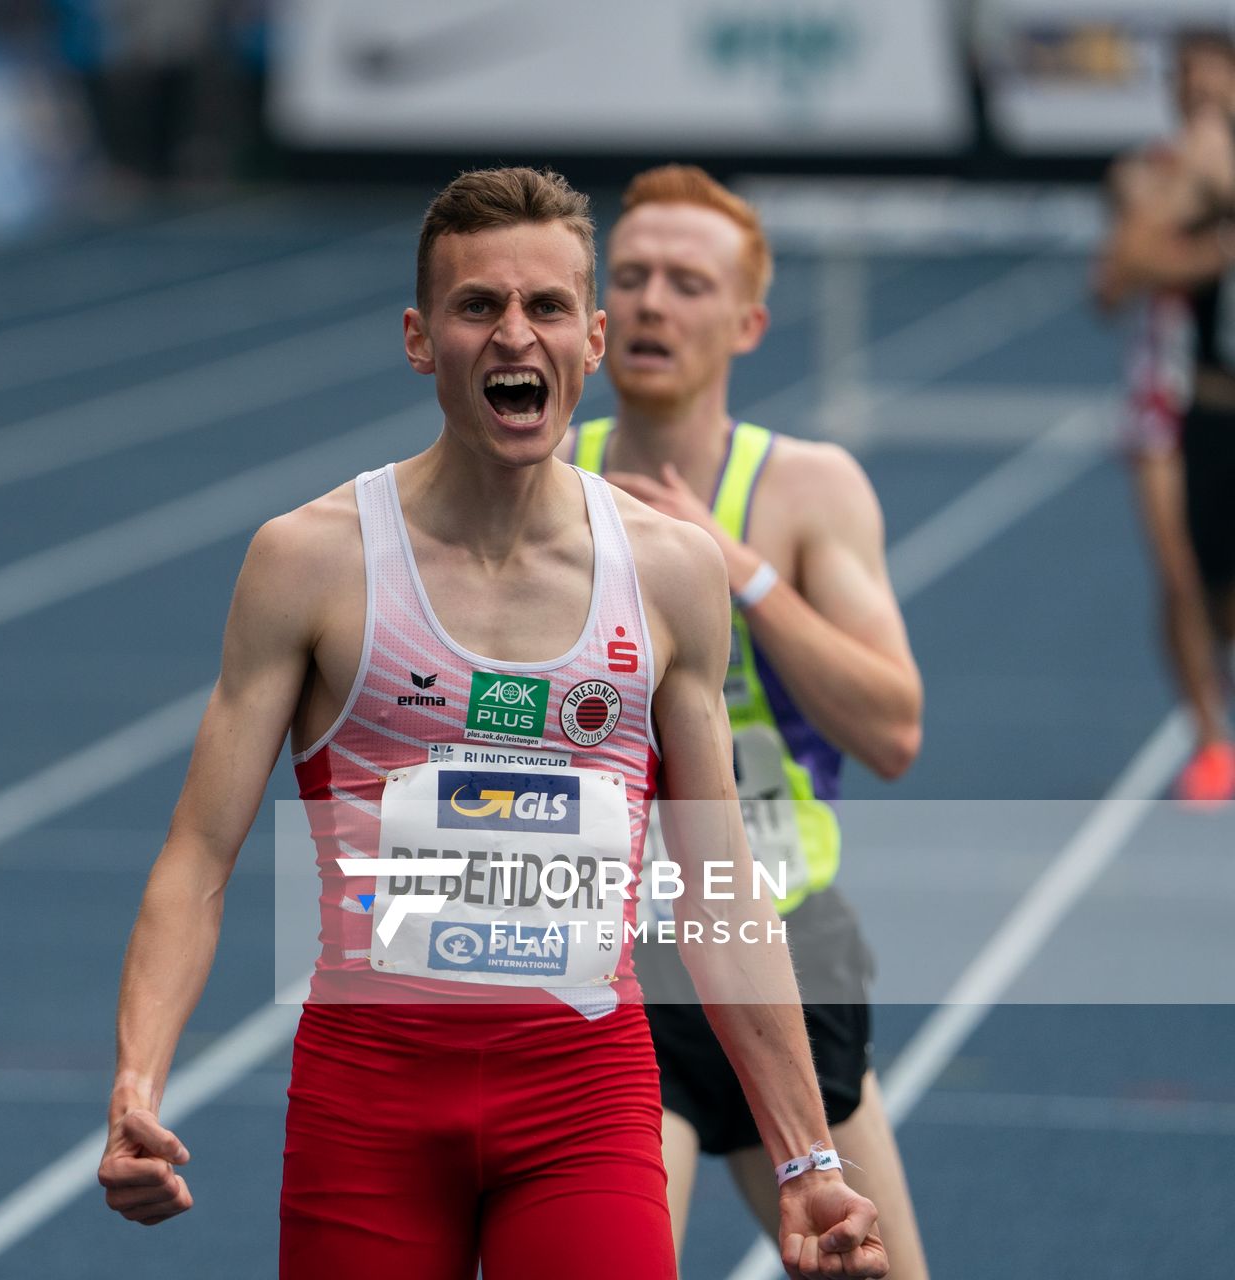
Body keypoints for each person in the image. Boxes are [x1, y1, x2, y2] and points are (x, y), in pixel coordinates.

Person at [99, 166, 887, 1279]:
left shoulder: (668, 572)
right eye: (479, 307)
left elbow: (719, 888)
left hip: (585, 1098)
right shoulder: (310, 560)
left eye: (548, 307)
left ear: (593, 339)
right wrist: (139, 1080)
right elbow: (197, 853)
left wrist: (808, 1156)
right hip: (367, 1102)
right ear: (422, 339)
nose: (515, 334)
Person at [557, 165, 929, 1277]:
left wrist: (744, 575)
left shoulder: (807, 488)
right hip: (614, 961)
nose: (655, 303)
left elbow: (896, 729)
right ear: (598, 314)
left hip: (784, 948)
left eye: (688, 281)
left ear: (748, 320)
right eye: (630, 278)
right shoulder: (542, 483)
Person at [1094, 27, 1235, 805]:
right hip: (1167, 405)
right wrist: (1213, 245)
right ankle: (1212, 740)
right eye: (1187, 81)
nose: (1199, 94)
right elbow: (1120, 271)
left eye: (1216, 82)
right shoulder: (1149, 170)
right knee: (1178, 574)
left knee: (1224, 599)